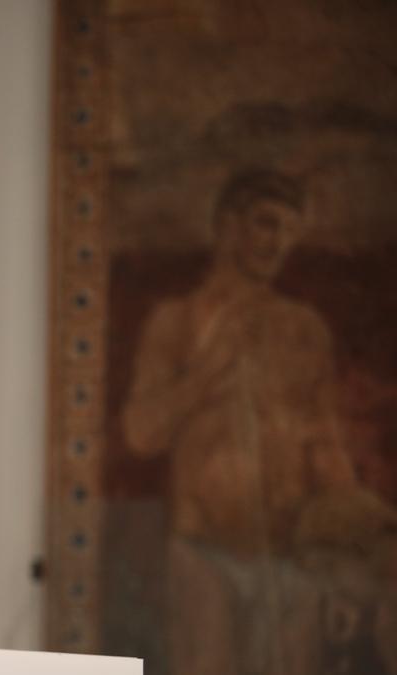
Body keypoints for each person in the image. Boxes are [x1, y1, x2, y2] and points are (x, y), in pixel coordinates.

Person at [122, 168, 397, 675]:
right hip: (205, 553)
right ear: (228, 225)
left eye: (288, 230)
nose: (278, 242)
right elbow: (141, 433)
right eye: (265, 223)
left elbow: (325, 447)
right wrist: (207, 373)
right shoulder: (177, 320)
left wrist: (343, 561)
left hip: (292, 559)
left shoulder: (303, 329)